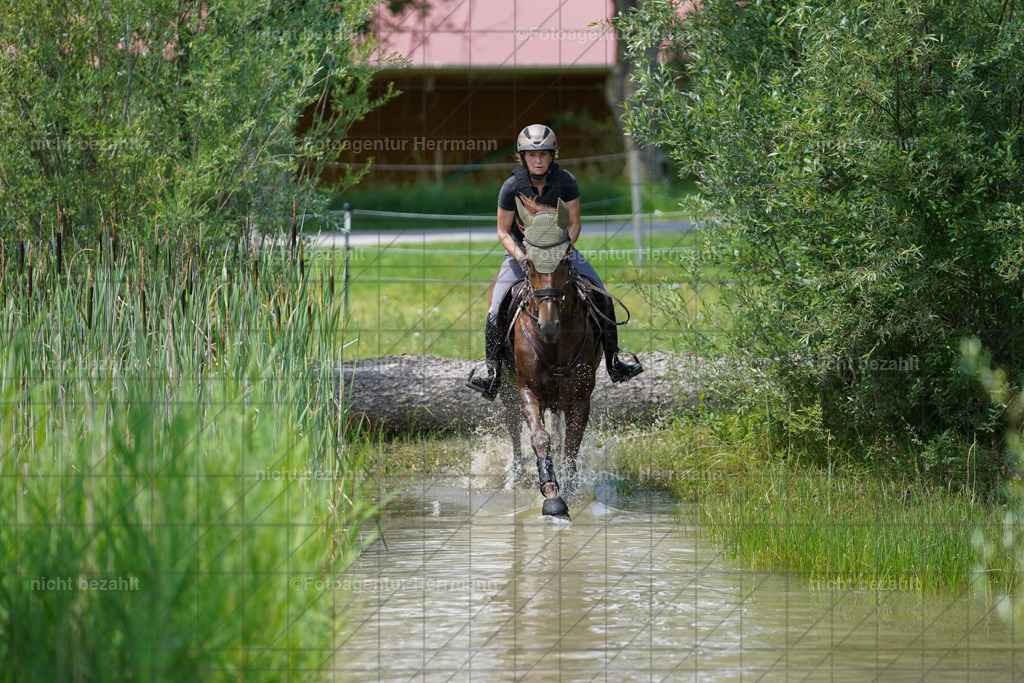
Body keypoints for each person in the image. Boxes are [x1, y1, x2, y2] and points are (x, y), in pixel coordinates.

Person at [465, 123, 643, 401]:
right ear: (522, 157)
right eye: (532, 155)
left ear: (552, 156)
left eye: (544, 155)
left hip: (560, 252)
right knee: (495, 309)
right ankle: (492, 373)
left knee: (602, 295)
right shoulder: (511, 186)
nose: (538, 160)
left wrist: (562, 251)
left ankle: (614, 363)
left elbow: (574, 223)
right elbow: (503, 231)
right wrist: (523, 256)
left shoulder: (566, 181)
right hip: (521, 254)